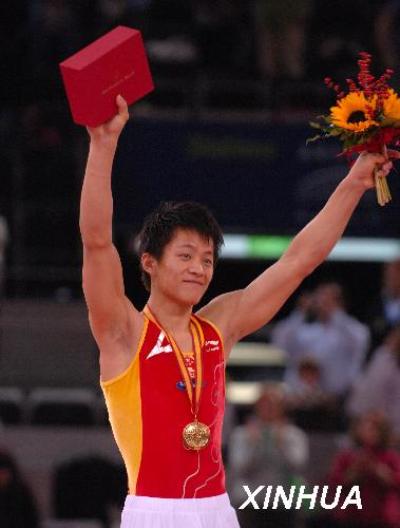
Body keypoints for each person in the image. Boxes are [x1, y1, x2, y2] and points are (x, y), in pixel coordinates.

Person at [79, 94, 396, 527]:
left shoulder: (219, 326)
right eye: (186, 256)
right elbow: (97, 243)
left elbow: (298, 261)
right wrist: (103, 146)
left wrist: (354, 183)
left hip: (217, 509)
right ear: (149, 262)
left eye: (208, 259)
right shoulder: (124, 332)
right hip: (155, 510)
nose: (199, 268)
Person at [228, 384, 309, 528]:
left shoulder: (294, 435)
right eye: (264, 405)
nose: (268, 409)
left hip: (283, 500)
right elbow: (239, 467)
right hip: (250, 500)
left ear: (281, 408)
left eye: (273, 405)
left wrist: (282, 444)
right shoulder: (242, 434)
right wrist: (253, 445)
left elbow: (298, 467)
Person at [272, 283, 369, 400]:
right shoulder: (308, 331)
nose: (323, 303)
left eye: (329, 299)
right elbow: (279, 340)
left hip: (343, 398)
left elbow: (360, 340)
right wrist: (300, 313)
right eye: (320, 299)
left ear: (340, 302)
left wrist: (335, 313)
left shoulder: (352, 330)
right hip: (306, 398)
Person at [347, 325, 400, 444]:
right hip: (364, 417)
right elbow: (368, 387)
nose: (391, 338)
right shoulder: (382, 355)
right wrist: (358, 416)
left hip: (388, 427)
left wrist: (395, 430)